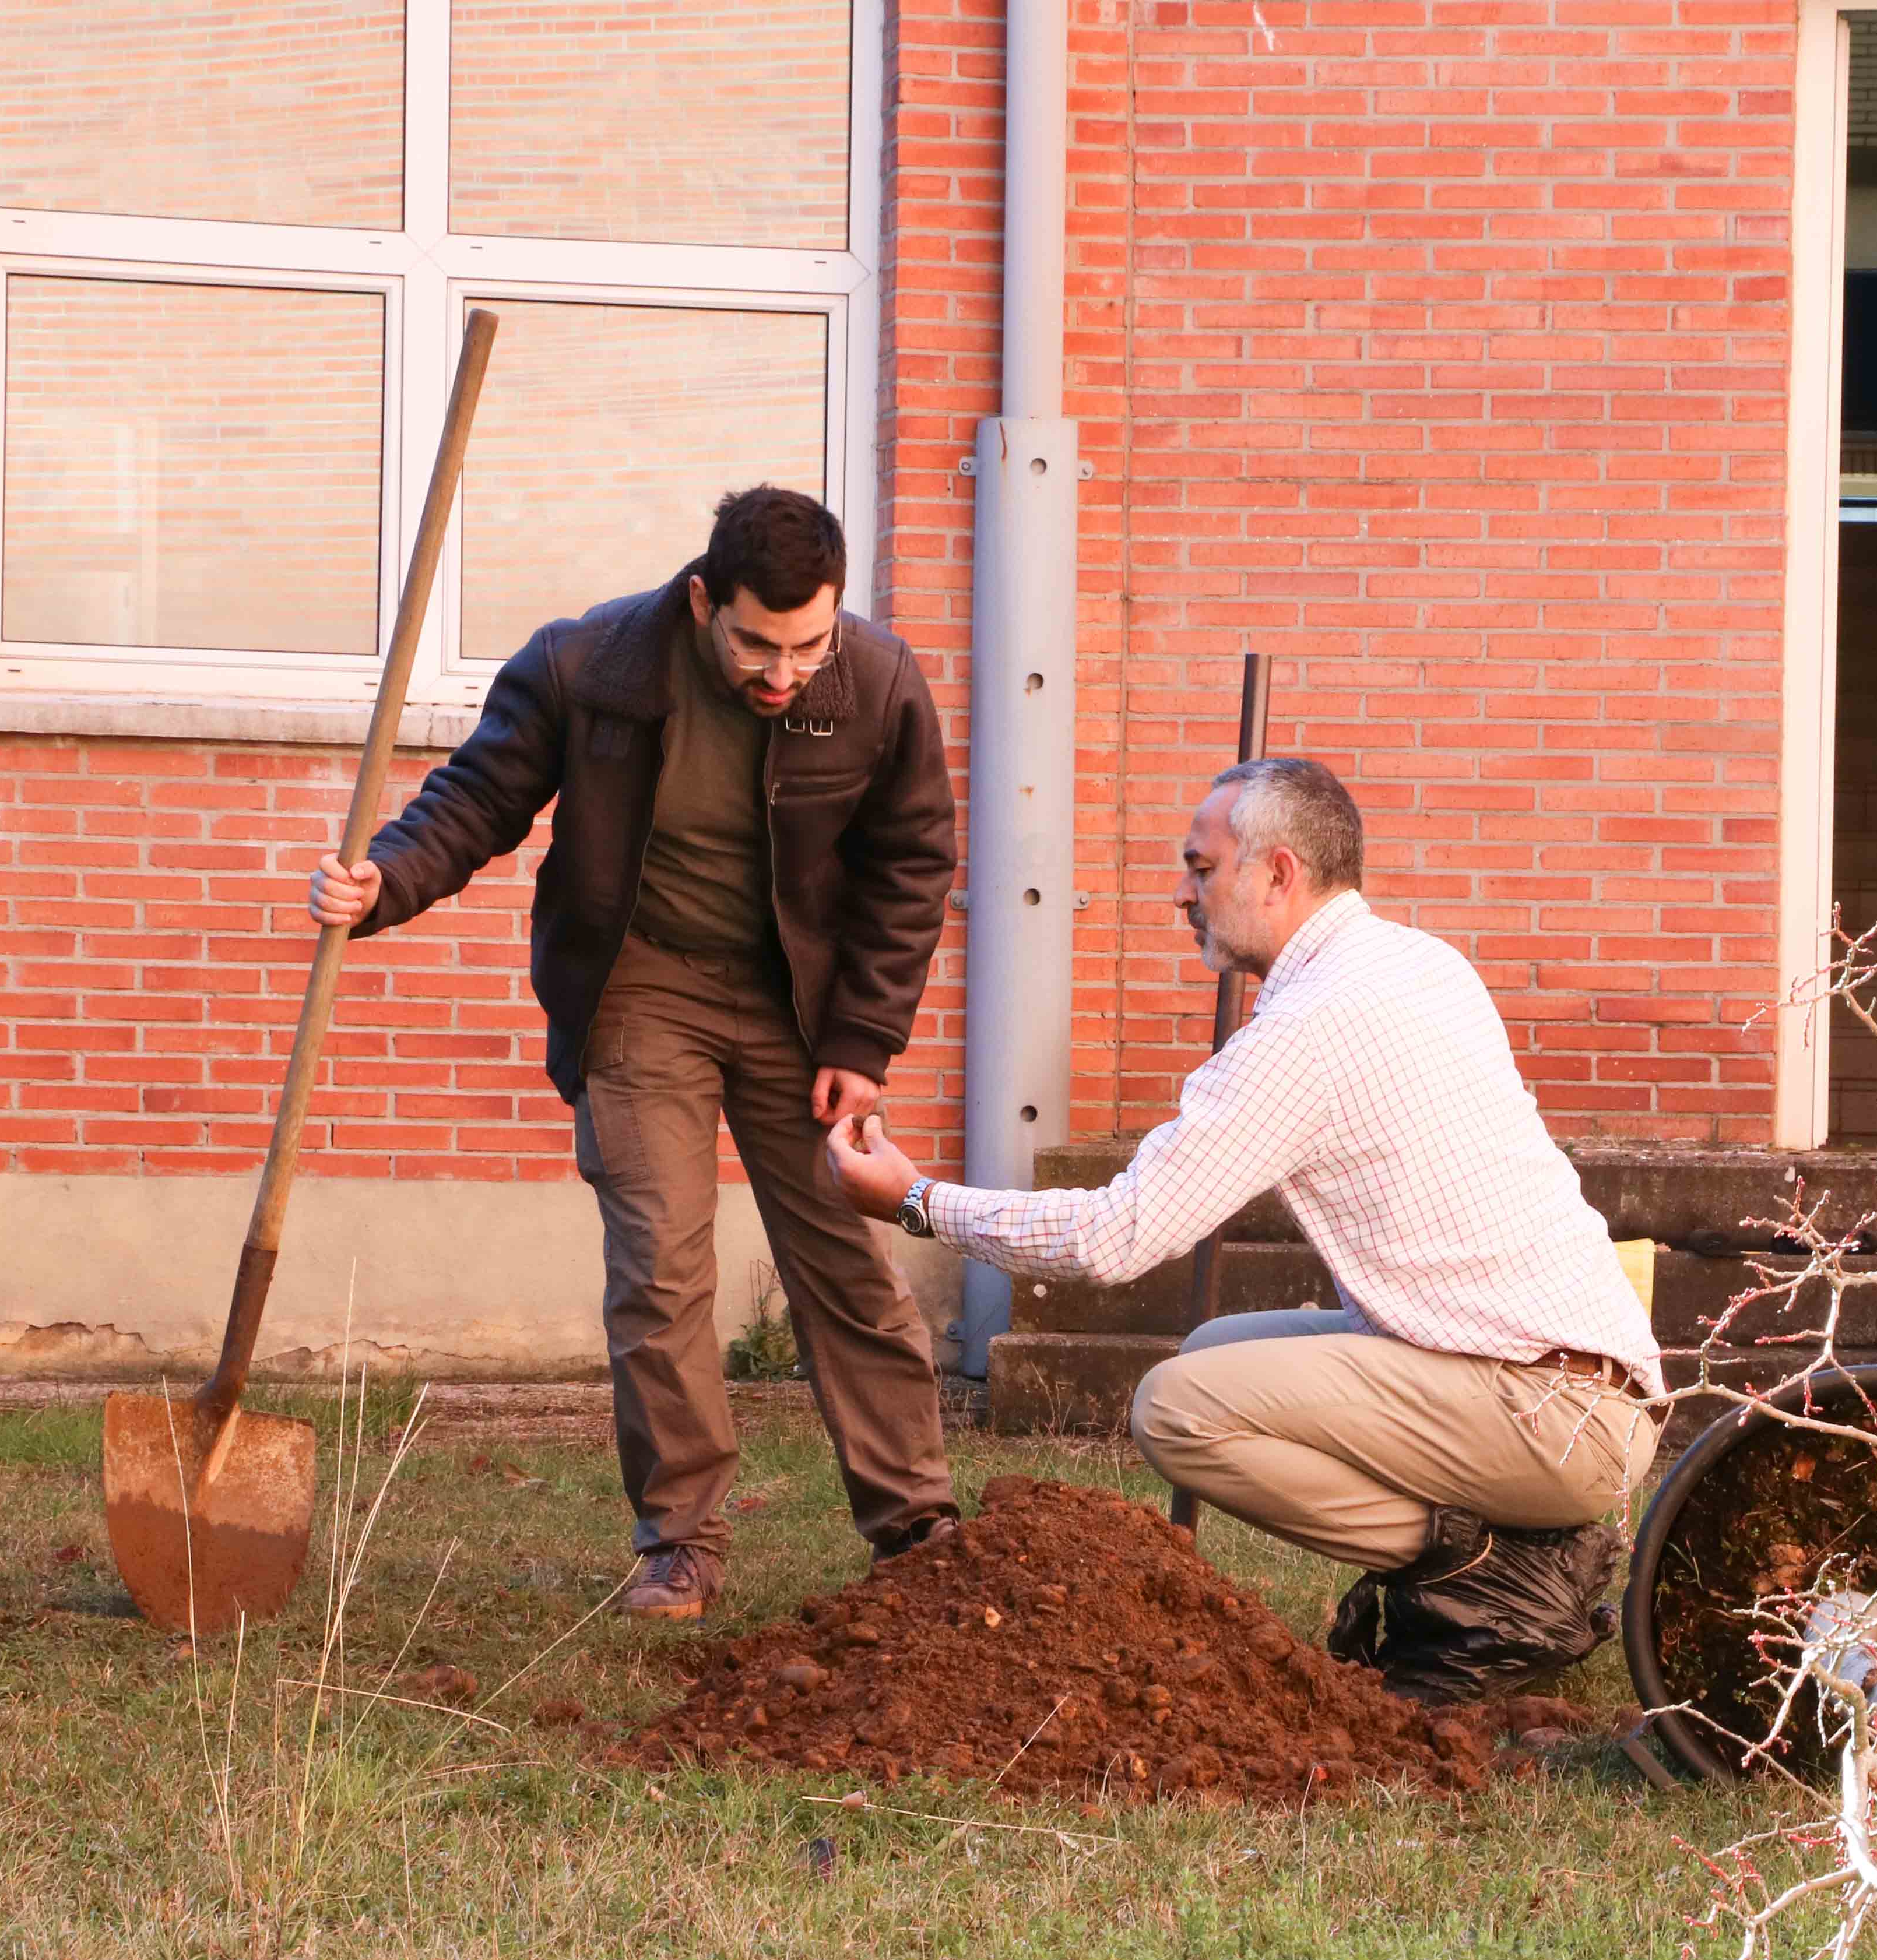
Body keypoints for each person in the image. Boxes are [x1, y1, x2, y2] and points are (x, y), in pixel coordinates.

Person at [822, 756, 1662, 1704]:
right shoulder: (1419, 961)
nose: (1184, 894)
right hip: (1587, 1389)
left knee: (1179, 1407)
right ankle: (1515, 1544)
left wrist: (917, 1201)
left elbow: (1117, 1236)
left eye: (1200, 865)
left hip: (1542, 1415)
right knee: (1217, 1347)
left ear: (1277, 874)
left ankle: (1493, 1575)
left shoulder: (1310, 1028)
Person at [304, 487, 957, 1621]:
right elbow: (478, 799)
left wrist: (864, 1040)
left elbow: (912, 865)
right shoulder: (588, 666)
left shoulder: (878, 682)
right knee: (660, 1266)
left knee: (845, 1262)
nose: (785, 671)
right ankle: (682, 1540)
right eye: (758, 642)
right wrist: (386, 880)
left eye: (809, 644)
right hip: (643, 988)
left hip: (804, 1010)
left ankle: (915, 1525)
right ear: (705, 599)